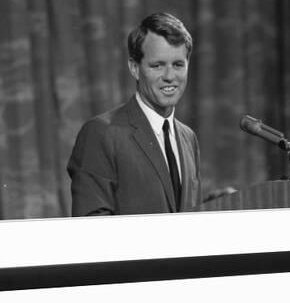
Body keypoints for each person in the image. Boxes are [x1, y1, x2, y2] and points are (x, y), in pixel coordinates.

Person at [67, 13, 202, 216]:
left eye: (178, 64)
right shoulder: (101, 133)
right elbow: (92, 228)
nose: (169, 76)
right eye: (157, 65)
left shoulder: (188, 137)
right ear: (134, 68)